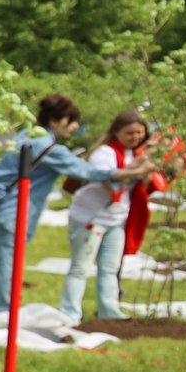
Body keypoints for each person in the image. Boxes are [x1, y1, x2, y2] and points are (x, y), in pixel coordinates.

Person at [0, 95, 151, 315]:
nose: (75, 126)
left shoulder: (24, 135)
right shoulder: (48, 148)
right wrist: (134, 172)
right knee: (9, 266)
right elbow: (88, 172)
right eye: (72, 120)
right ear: (56, 121)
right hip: (13, 212)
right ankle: (4, 315)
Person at [59, 110, 148, 323]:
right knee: (81, 267)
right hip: (90, 216)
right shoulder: (104, 153)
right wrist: (136, 170)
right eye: (130, 133)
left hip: (116, 219)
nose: (135, 137)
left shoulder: (134, 155)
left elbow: (141, 186)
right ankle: (70, 313)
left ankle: (109, 312)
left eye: (139, 133)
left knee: (110, 268)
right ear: (116, 132)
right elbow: (109, 182)